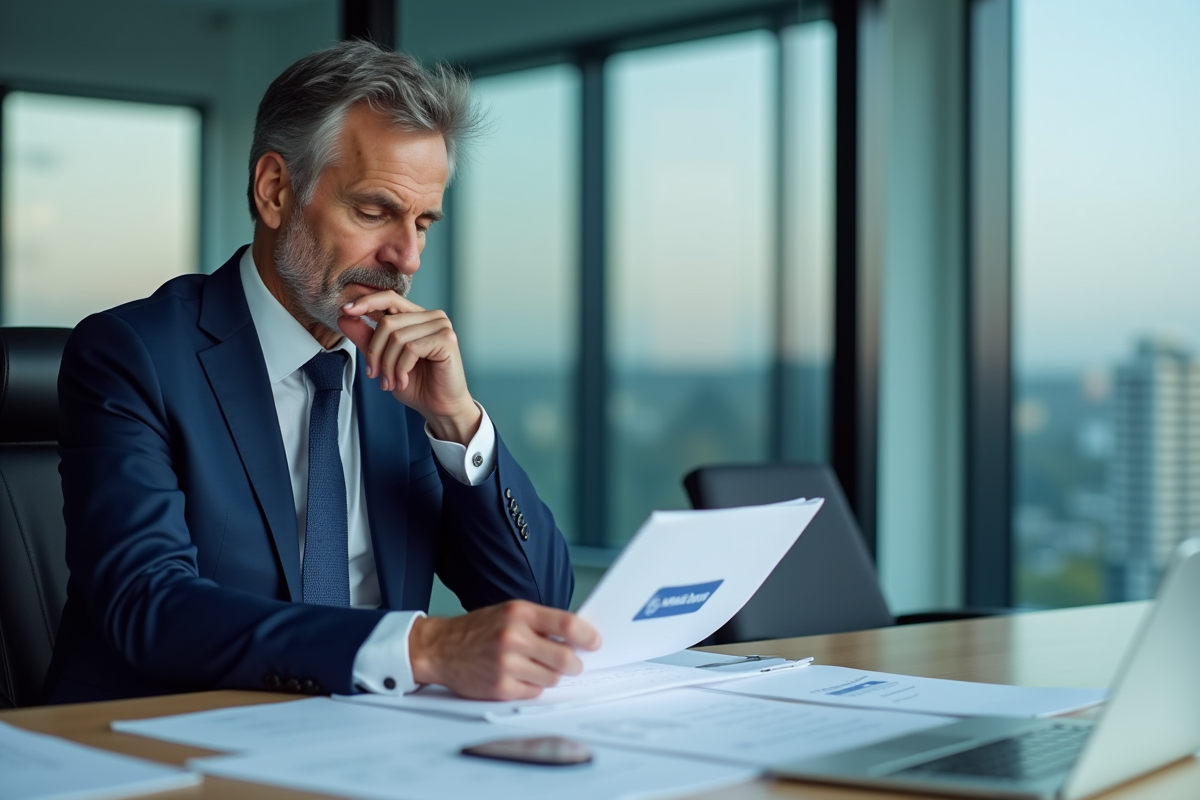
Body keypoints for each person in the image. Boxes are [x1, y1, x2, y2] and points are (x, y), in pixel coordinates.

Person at [43, 40, 599, 705]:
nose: (407, 258)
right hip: (164, 741)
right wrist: (420, 649)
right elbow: (147, 604)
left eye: (424, 223)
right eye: (374, 212)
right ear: (276, 191)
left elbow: (537, 608)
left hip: (369, 743)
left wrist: (457, 422)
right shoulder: (132, 353)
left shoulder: (400, 373)